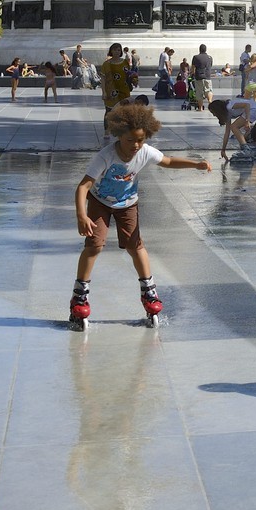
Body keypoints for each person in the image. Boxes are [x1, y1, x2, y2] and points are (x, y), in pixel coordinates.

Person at [71, 101, 211, 328]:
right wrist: (81, 215)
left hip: (127, 204)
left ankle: (149, 292)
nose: (136, 145)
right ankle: (80, 295)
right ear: (118, 136)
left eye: (140, 139)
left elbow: (167, 161)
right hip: (100, 203)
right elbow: (83, 187)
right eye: (130, 140)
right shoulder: (106, 156)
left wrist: (195, 164)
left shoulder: (145, 151)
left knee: (135, 246)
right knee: (94, 246)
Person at [100, 43, 132, 111]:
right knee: (110, 112)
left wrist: (133, 80)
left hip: (124, 91)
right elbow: (103, 78)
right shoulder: (106, 64)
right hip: (111, 91)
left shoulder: (125, 62)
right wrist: (104, 92)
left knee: (124, 112)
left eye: (118, 50)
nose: (117, 52)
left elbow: (129, 75)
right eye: (114, 50)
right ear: (111, 51)